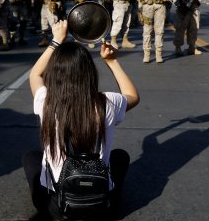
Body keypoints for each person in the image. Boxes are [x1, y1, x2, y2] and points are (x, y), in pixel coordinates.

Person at [23, 20, 140, 220]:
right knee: (120, 157)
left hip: (57, 209)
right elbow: (133, 96)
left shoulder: (45, 101)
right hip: (100, 207)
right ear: (89, 74)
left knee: (31, 158)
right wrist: (112, 61)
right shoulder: (107, 102)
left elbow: (35, 74)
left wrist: (56, 40)